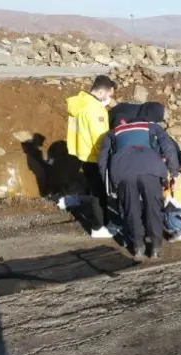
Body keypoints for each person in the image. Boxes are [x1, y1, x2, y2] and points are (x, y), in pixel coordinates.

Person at [99, 102, 179, 260]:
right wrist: (173, 171)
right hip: (150, 169)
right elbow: (169, 148)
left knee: (131, 209)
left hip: (123, 172)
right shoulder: (152, 128)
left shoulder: (112, 133)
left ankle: (138, 247)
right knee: (153, 208)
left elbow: (103, 160)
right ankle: (155, 246)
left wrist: (108, 185)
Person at [66, 75, 118, 238]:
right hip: (95, 157)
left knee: (94, 188)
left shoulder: (80, 102)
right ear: (101, 91)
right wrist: (107, 156)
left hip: (83, 152)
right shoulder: (95, 109)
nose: (109, 99)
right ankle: (98, 227)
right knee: (99, 193)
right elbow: (100, 138)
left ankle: (98, 222)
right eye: (109, 95)